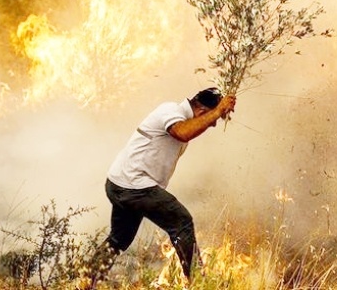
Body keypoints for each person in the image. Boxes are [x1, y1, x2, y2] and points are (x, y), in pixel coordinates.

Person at [87, 87, 236, 288]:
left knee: (119, 239)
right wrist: (218, 111)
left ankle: (86, 280)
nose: (214, 124)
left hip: (120, 183)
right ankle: (200, 284)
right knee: (182, 222)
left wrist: (217, 111)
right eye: (211, 120)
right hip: (134, 186)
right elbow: (183, 132)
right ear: (201, 111)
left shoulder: (180, 116)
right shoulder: (171, 111)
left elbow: (188, 131)